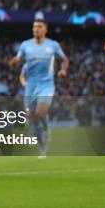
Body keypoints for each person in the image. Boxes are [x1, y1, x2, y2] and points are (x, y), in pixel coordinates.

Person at [10, 20, 69, 158]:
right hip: (31, 86)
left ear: (45, 29)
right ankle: (42, 142)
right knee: (32, 119)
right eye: (34, 27)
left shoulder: (53, 45)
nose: (36, 29)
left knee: (40, 112)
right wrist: (14, 62)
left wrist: (63, 70)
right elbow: (17, 60)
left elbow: (64, 59)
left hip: (46, 85)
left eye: (39, 27)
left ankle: (44, 144)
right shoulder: (25, 45)